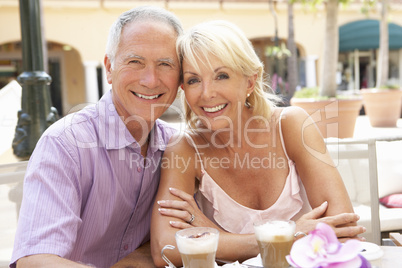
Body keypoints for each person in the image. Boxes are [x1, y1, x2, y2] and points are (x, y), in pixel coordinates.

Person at [150, 20, 366, 267]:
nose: (207, 93)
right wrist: (291, 235)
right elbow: (164, 249)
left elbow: (345, 229)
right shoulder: (184, 148)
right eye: (193, 80)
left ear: (250, 82)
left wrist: (213, 236)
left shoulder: (290, 126)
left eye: (221, 76)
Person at [10, 6, 183, 268]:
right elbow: (34, 260)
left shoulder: (176, 146)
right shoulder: (65, 143)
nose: (150, 80)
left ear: (180, 76)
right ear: (109, 69)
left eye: (165, 64)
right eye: (135, 61)